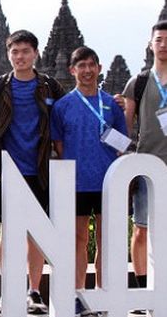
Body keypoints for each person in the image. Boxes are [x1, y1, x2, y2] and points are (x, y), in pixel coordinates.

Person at [0, 29, 64, 315]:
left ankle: (33, 290)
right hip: (10, 168)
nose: (20, 57)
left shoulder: (49, 86)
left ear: (35, 54)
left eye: (25, 51)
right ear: (8, 54)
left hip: (41, 168)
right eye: (15, 52)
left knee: (36, 233)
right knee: (8, 232)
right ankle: (9, 289)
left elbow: (68, 113)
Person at [51, 46, 128, 317]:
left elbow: (122, 142)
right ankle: (77, 295)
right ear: (72, 71)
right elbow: (58, 144)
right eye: (81, 66)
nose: (86, 71)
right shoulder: (62, 106)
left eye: (91, 65)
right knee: (78, 239)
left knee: (107, 240)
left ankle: (104, 294)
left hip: (109, 180)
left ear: (99, 68)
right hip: (76, 181)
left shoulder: (112, 104)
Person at [122, 20, 167, 307]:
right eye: (159, 40)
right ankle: (140, 289)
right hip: (147, 164)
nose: (164, 45)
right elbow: (125, 128)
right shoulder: (137, 83)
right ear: (150, 44)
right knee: (141, 228)